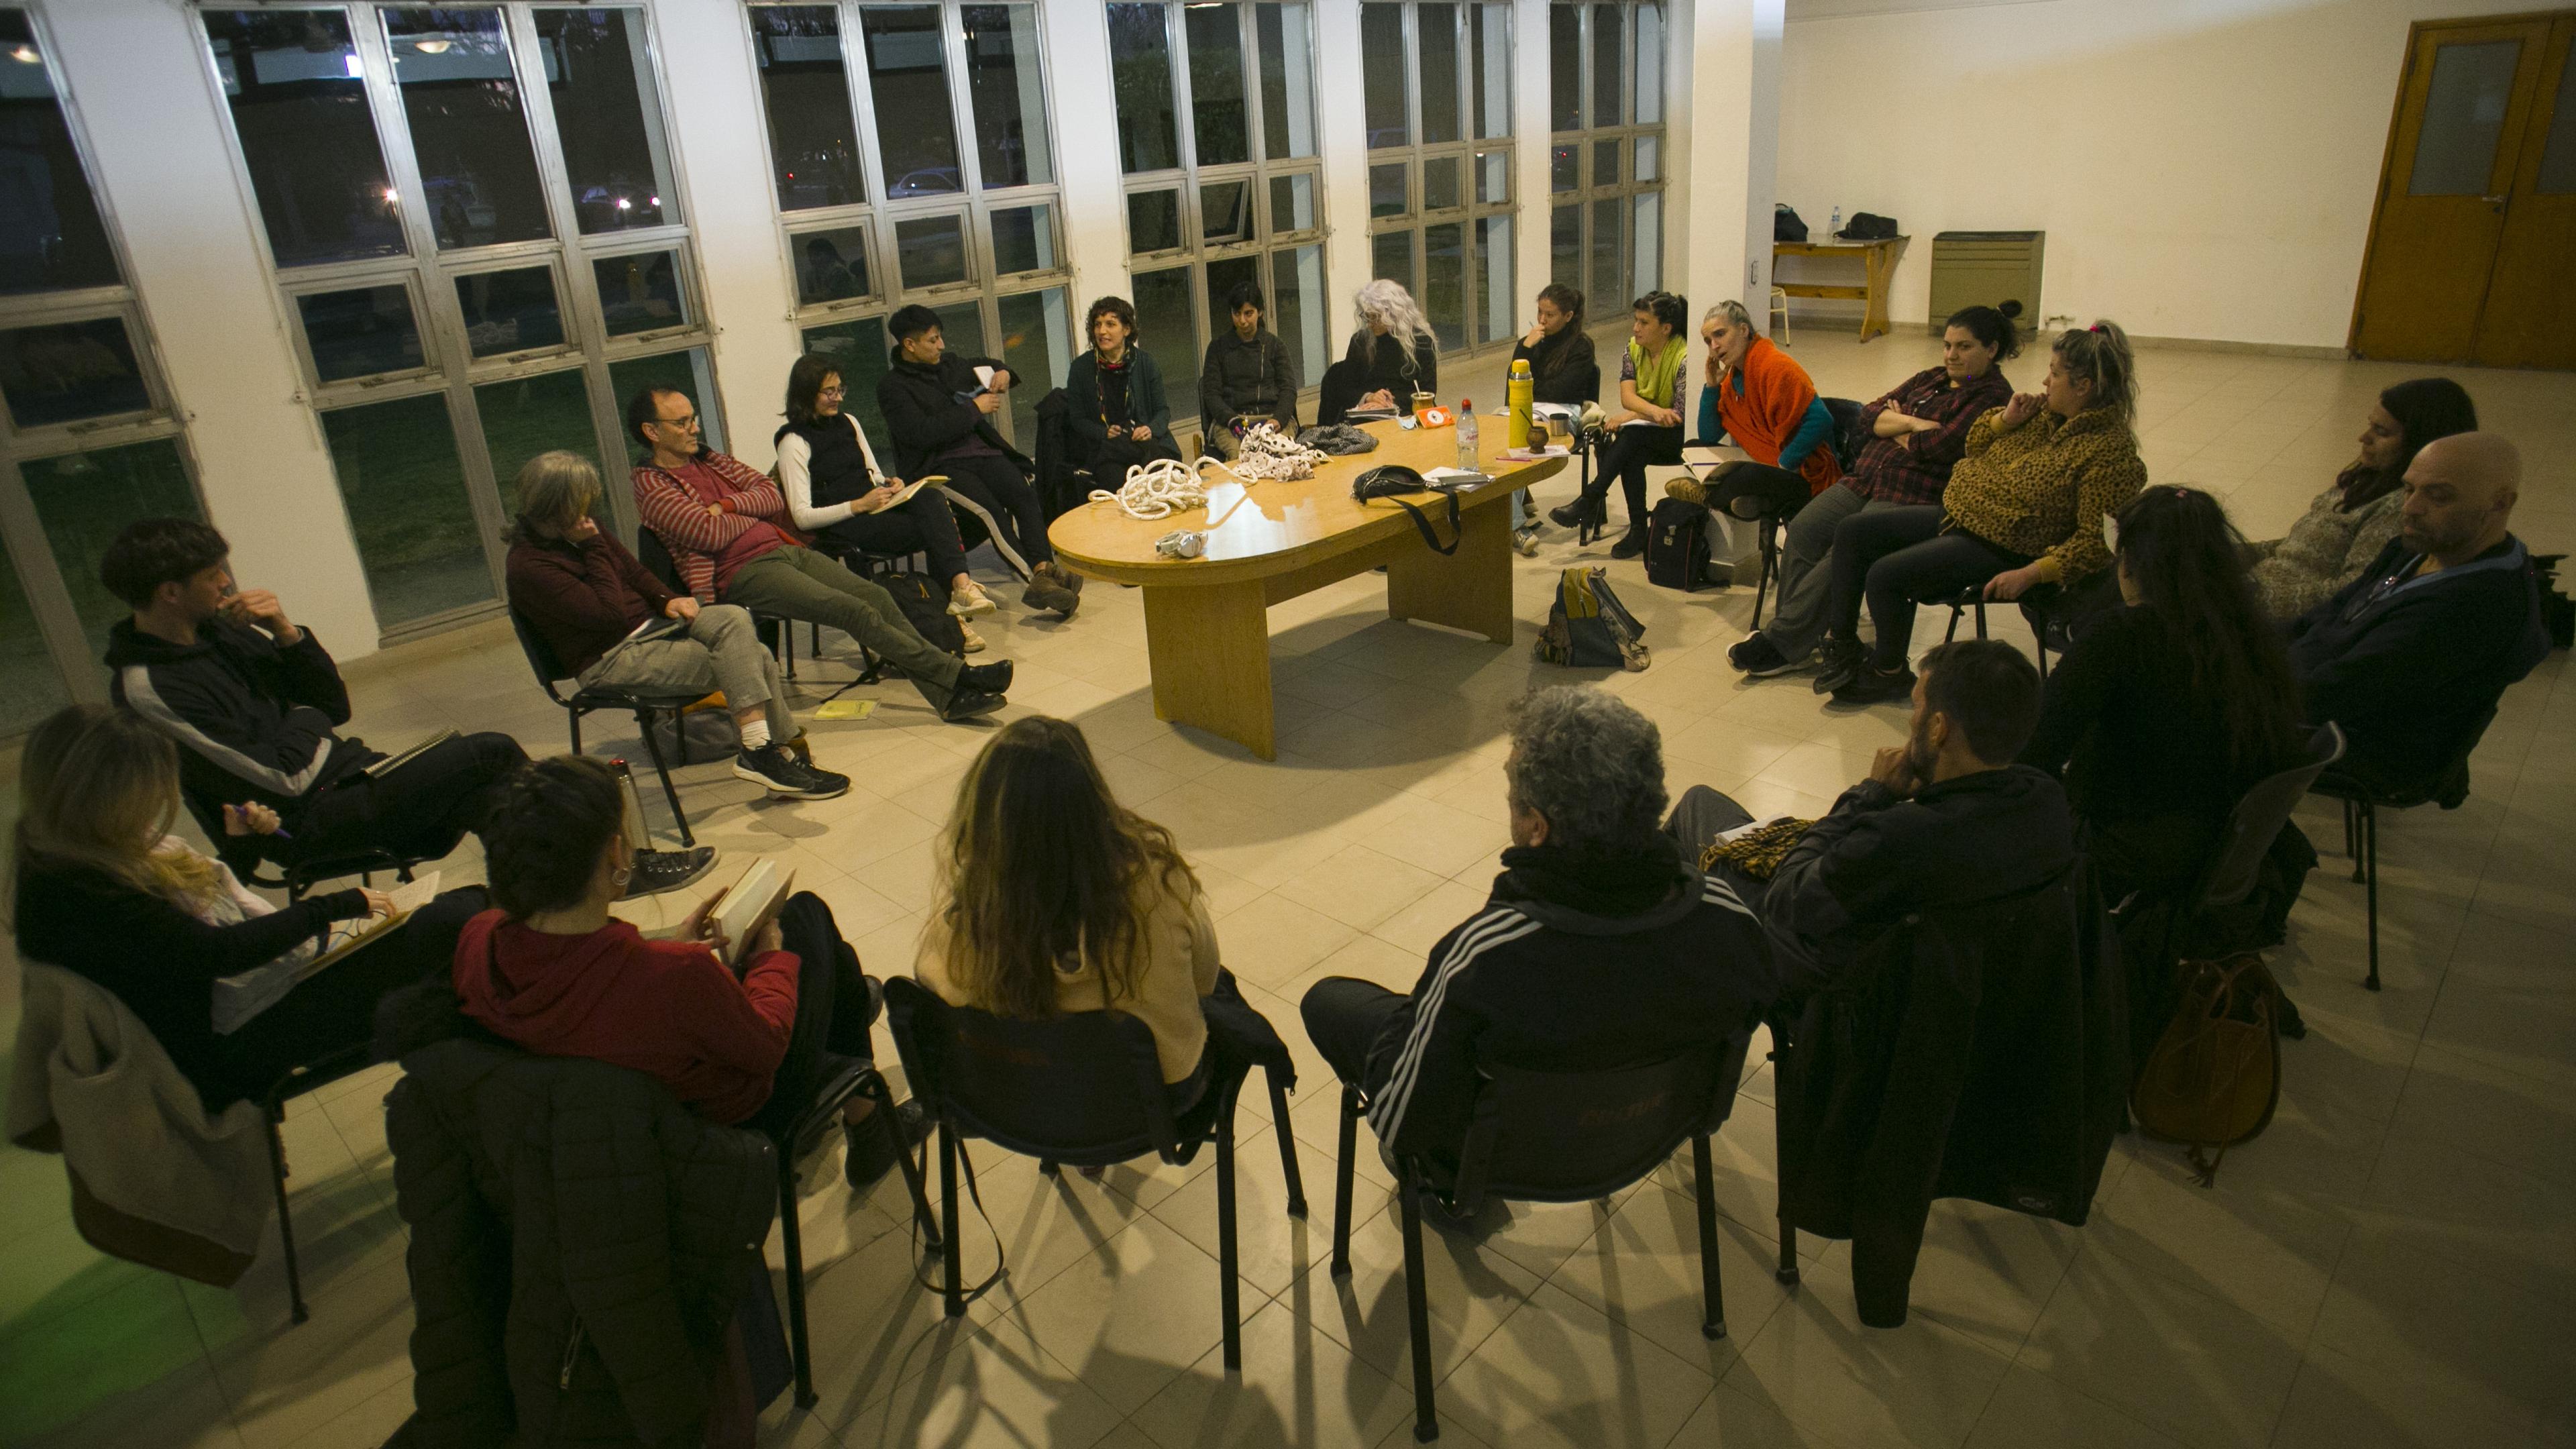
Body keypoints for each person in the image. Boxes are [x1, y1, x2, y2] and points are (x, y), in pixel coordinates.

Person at [1299, 687, 1777, 1230]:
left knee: (1330, 1002)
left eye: (1514, 796)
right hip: (1656, 1130)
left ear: (1537, 827)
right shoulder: (1729, 919)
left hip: (1509, 1163)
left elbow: (1398, 1121)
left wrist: (1420, 1012)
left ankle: (1449, 1183)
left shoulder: (1484, 960)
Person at [453, 755, 924, 1186]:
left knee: (826, 963)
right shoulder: (675, 974)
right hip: (727, 1126)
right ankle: (870, 1120)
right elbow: (767, 1048)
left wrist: (664, 946)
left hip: (610, 1139)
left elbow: (587, 982)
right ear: (615, 854)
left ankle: (849, 1013)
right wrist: (769, 959)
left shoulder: (478, 939)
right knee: (806, 917)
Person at [11, 704, 486, 1114]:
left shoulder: (62, 858)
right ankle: (470, 1092)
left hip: (238, 1007)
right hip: (231, 1044)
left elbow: (184, 932)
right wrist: (331, 907)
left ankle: (465, 1083)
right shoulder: (86, 890)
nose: (154, 808)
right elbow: (217, 952)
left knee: (462, 923)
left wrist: (239, 848)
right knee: (460, 926)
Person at [101, 517, 529, 873]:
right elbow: (285, 778)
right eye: (213, 574)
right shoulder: (149, 690)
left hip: (352, 776)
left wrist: (287, 634)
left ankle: (540, 909)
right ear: (170, 593)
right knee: (491, 752)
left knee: (494, 798)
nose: (226, 582)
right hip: (301, 822)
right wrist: (306, 713)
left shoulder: (221, 631)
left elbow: (334, 707)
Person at [1671, 641, 2072, 994]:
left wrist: (1868, 796)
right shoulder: (2046, 801)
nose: (1911, 721)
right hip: (1965, 998)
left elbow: (1787, 899)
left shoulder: (1900, 836)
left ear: (1938, 729)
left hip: (1840, 987)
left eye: (1917, 707)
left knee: (1697, 806)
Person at [626, 384, 1012, 723]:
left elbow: (770, 495)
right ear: (652, 432)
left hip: (783, 548)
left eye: (693, 419)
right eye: (682, 423)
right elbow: (706, 533)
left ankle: (949, 698)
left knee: (876, 596)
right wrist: (749, 513)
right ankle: (958, 675)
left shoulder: (712, 460)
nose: (694, 428)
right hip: (741, 571)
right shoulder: (651, 485)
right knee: (853, 610)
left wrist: (726, 506)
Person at [1814, 320, 2147, 706]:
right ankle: (1843, 645)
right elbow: (1973, 444)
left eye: (2055, 374)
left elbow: (2097, 545)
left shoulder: (2110, 454)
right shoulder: (2043, 416)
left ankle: (1887, 672)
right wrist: (2005, 421)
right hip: (1962, 517)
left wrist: (2031, 573)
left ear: (2084, 386)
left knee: (1885, 575)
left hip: (2008, 549)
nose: (2045, 381)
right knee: (1854, 531)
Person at [504, 449, 850, 802]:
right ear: (555, 504)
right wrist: (592, 548)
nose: (588, 509)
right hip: (610, 658)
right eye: (580, 500)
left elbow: (633, 571)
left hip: (653, 628)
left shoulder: (579, 527)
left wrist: (666, 599)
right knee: (756, 657)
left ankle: (763, 753)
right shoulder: (530, 565)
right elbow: (610, 616)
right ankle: (779, 753)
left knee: (733, 616)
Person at [913, 716, 1222, 1102]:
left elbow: (931, 987)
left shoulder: (968, 912)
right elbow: (1205, 979)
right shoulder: (1159, 884)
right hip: (1150, 1102)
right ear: (1093, 798)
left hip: (1010, 1103)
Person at [2019, 487, 2304, 902]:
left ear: (2131, 562)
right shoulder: (2250, 631)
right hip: (2222, 850)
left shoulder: (2120, 636)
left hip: (2126, 853)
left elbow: (2037, 747)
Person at [1729, 306, 2020, 678]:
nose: (1951, 355)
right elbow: (1868, 416)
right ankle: (1799, 640)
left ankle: (1782, 643)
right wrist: (1914, 423)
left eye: (1964, 347)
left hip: (1911, 494)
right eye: (1947, 345)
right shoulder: (1932, 377)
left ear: (1991, 350)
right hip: (1864, 478)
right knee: (1803, 529)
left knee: (1845, 549)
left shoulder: (1993, 397)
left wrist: (1894, 425)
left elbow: (1940, 444)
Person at [2288, 432, 2549, 792]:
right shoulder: (2421, 546)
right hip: (2323, 689)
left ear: (2500, 502)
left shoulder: (2470, 608)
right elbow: (2329, 613)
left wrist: (2241, 677)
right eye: (2409, 489)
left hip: (2364, 744)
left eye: (2438, 496)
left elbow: (2335, 694)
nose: (2410, 508)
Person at [773, 352, 998, 643]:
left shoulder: (849, 422)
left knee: (930, 498)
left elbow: (873, 473)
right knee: (936, 530)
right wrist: (858, 505)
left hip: (873, 506)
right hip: (841, 523)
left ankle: (958, 596)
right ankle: (952, 616)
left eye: (840, 389)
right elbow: (803, 517)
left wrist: (891, 484)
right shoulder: (793, 442)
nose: (838, 398)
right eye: (829, 392)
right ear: (806, 394)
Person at [874, 305, 1082, 614]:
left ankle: (1043, 566)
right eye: (933, 340)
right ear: (909, 345)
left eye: (940, 337)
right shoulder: (892, 387)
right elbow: (920, 433)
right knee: (991, 512)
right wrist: (974, 409)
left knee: (1024, 494)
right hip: (939, 465)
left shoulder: (950, 365)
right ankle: (1037, 580)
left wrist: (1003, 373)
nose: (941, 345)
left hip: (982, 453)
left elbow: (992, 366)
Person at [2247, 378, 2478, 621]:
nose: (2364, 438)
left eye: (2381, 432)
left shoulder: (2398, 508)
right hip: (2257, 590)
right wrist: (2228, 553)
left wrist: (2248, 601)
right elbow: (2296, 549)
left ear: (2420, 444)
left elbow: (2354, 592)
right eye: (2371, 426)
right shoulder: (2367, 480)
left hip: (2281, 617)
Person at [1677, 299, 1840, 564]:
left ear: (1743, 330)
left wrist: (1784, 463)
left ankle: (1719, 496)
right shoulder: (1733, 378)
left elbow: (1822, 419)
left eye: (1720, 334)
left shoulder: (1775, 365)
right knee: (1693, 446)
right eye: (1708, 340)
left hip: (1800, 472)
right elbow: (1708, 436)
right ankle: (1740, 497)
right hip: (1762, 461)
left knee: (1748, 473)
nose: (1714, 346)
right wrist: (1712, 387)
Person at [1546, 290, 1693, 559]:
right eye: (1636, 320)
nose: (1636, 328)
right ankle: (1636, 528)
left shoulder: (1684, 356)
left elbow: (1678, 415)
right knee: (1631, 448)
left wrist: (1634, 416)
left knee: (1631, 436)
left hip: (1679, 437)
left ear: (1666, 328)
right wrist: (1646, 413)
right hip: (1647, 434)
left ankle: (1592, 500)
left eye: (1644, 322)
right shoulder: (1633, 348)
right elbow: (1627, 398)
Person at [1065, 294, 1184, 478]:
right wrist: (1104, 433)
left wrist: (1150, 429)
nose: (1102, 331)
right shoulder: (1080, 368)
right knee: (1119, 482)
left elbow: (1163, 411)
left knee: (1162, 477)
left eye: (1110, 324)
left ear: (1126, 329)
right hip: (1106, 449)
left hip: (1145, 443)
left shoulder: (1146, 363)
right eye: (1098, 325)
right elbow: (1078, 419)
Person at [1198, 282, 1300, 457]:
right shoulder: (1218, 348)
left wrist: (1278, 419)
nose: (1242, 321)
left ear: (1260, 312)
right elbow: (1211, 394)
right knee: (1239, 455)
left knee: (1279, 453)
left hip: (1273, 419)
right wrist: (1231, 420)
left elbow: (1288, 389)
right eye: (1237, 314)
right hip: (1231, 422)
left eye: (1248, 313)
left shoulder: (1275, 346)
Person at [1322, 278, 1438, 423]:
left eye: (1376, 318)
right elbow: (1346, 389)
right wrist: (1369, 397)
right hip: (1366, 413)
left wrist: (1387, 402)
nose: (1370, 324)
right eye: (1367, 317)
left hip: (1406, 412)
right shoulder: (1360, 341)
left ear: (1394, 315)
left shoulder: (1421, 342)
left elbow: (1428, 391)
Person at [1507, 282, 1601, 407]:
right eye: (1540, 312)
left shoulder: (1581, 348)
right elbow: (1515, 386)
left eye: (1550, 315)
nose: (1542, 320)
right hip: (1527, 406)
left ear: (1568, 316)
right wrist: (1526, 348)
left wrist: (1528, 388)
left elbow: (1557, 393)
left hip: (1563, 411)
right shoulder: (1529, 343)